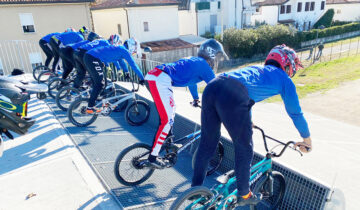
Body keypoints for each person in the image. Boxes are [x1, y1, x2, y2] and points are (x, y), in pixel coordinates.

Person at [191, 44, 312, 206]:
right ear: (287, 64)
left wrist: (248, 120)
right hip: (233, 95)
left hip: (212, 86)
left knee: (208, 143)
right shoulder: (285, 80)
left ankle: (194, 190)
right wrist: (307, 139)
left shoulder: (256, 69)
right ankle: (244, 194)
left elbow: (245, 95)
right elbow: (295, 113)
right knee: (245, 147)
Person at [143, 39, 228, 169]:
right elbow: (217, 87)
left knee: (170, 111)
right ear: (211, 54)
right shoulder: (203, 65)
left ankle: (168, 140)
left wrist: (195, 99)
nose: (215, 61)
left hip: (155, 77)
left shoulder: (195, 61)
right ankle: (152, 158)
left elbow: (191, 82)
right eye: (216, 57)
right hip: (160, 79)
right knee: (166, 120)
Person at [83, 38, 145, 114]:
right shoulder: (124, 51)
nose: (133, 53)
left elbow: (122, 62)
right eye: (134, 51)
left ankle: (100, 101)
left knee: (103, 82)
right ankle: (90, 107)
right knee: (100, 84)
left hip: (90, 56)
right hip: (93, 58)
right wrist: (142, 78)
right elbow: (134, 66)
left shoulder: (120, 48)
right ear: (132, 47)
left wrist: (126, 72)